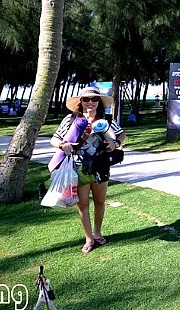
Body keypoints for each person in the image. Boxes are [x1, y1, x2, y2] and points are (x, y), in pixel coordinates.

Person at [51, 87, 126, 254]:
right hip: (79, 167)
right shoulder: (71, 119)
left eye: (94, 99)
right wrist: (63, 145)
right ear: (81, 102)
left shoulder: (106, 119)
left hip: (100, 165)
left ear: (99, 102)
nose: (90, 102)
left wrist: (115, 143)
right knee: (83, 204)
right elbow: (54, 139)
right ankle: (88, 238)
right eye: (86, 99)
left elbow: (121, 135)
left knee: (100, 201)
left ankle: (97, 233)